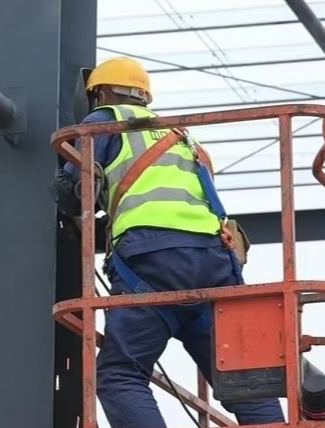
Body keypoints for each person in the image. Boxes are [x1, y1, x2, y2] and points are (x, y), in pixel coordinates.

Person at [51, 57, 286, 428]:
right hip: (215, 261)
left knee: (120, 376)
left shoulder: (105, 121)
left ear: (102, 93)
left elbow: (77, 192)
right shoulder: (183, 137)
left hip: (153, 259)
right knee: (244, 380)